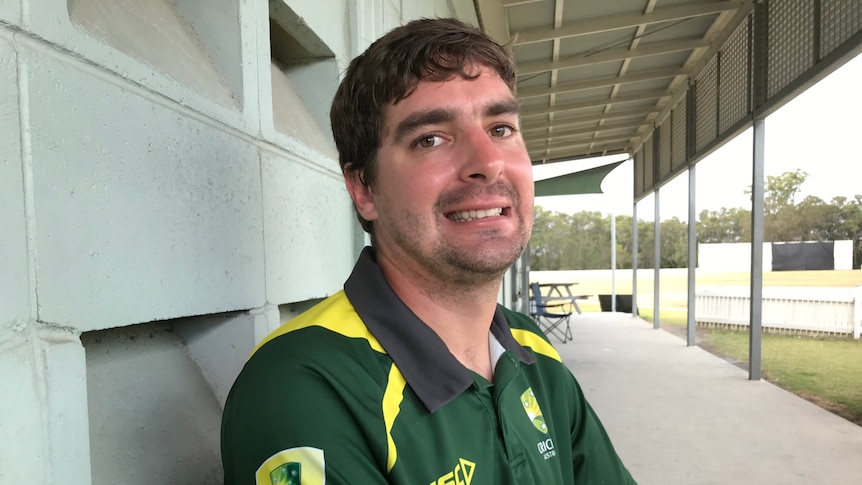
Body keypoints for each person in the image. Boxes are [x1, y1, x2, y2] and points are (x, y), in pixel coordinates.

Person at [221, 18, 636, 485]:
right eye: (430, 139)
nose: (487, 162)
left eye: (501, 128)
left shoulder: (533, 352)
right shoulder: (304, 385)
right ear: (364, 189)